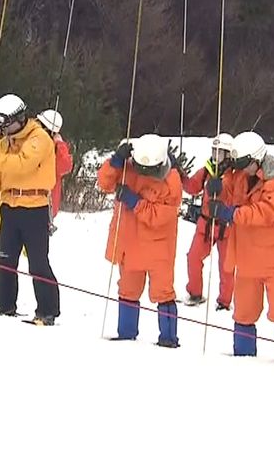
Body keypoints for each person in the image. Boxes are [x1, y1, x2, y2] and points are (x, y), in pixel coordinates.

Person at [209, 132, 274, 367]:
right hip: (248, 257)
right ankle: (243, 358)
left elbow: (266, 212)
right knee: (243, 312)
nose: (243, 171)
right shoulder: (242, 175)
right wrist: (217, 181)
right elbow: (230, 193)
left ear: (257, 160)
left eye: (245, 166)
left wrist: (233, 214)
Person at [98, 134, 182, 347]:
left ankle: (168, 338)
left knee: (163, 291)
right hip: (129, 242)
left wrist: (135, 202)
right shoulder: (126, 168)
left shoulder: (172, 179)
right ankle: (126, 335)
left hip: (159, 246)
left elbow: (160, 215)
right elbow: (104, 184)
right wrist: (115, 162)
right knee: (127, 289)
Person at [0, 94, 59, 325]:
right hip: (9, 206)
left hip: (33, 208)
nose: (2, 129)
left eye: (5, 123)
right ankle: (5, 304)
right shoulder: (5, 143)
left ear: (18, 118)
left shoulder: (39, 139)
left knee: (37, 261)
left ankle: (47, 310)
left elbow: (22, 166)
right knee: (5, 258)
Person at [181, 133, 235, 309]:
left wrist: (222, 193)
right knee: (193, 258)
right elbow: (192, 187)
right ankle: (195, 292)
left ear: (228, 154)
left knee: (226, 267)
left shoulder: (236, 174)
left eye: (219, 152)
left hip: (226, 227)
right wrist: (181, 174)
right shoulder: (207, 170)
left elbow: (239, 197)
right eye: (213, 151)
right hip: (205, 225)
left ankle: (224, 302)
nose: (215, 155)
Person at [36, 109, 74, 232]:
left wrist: (59, 144)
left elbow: (65, 166)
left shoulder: (57, 149)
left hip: (45, 206)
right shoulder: (32, 144)